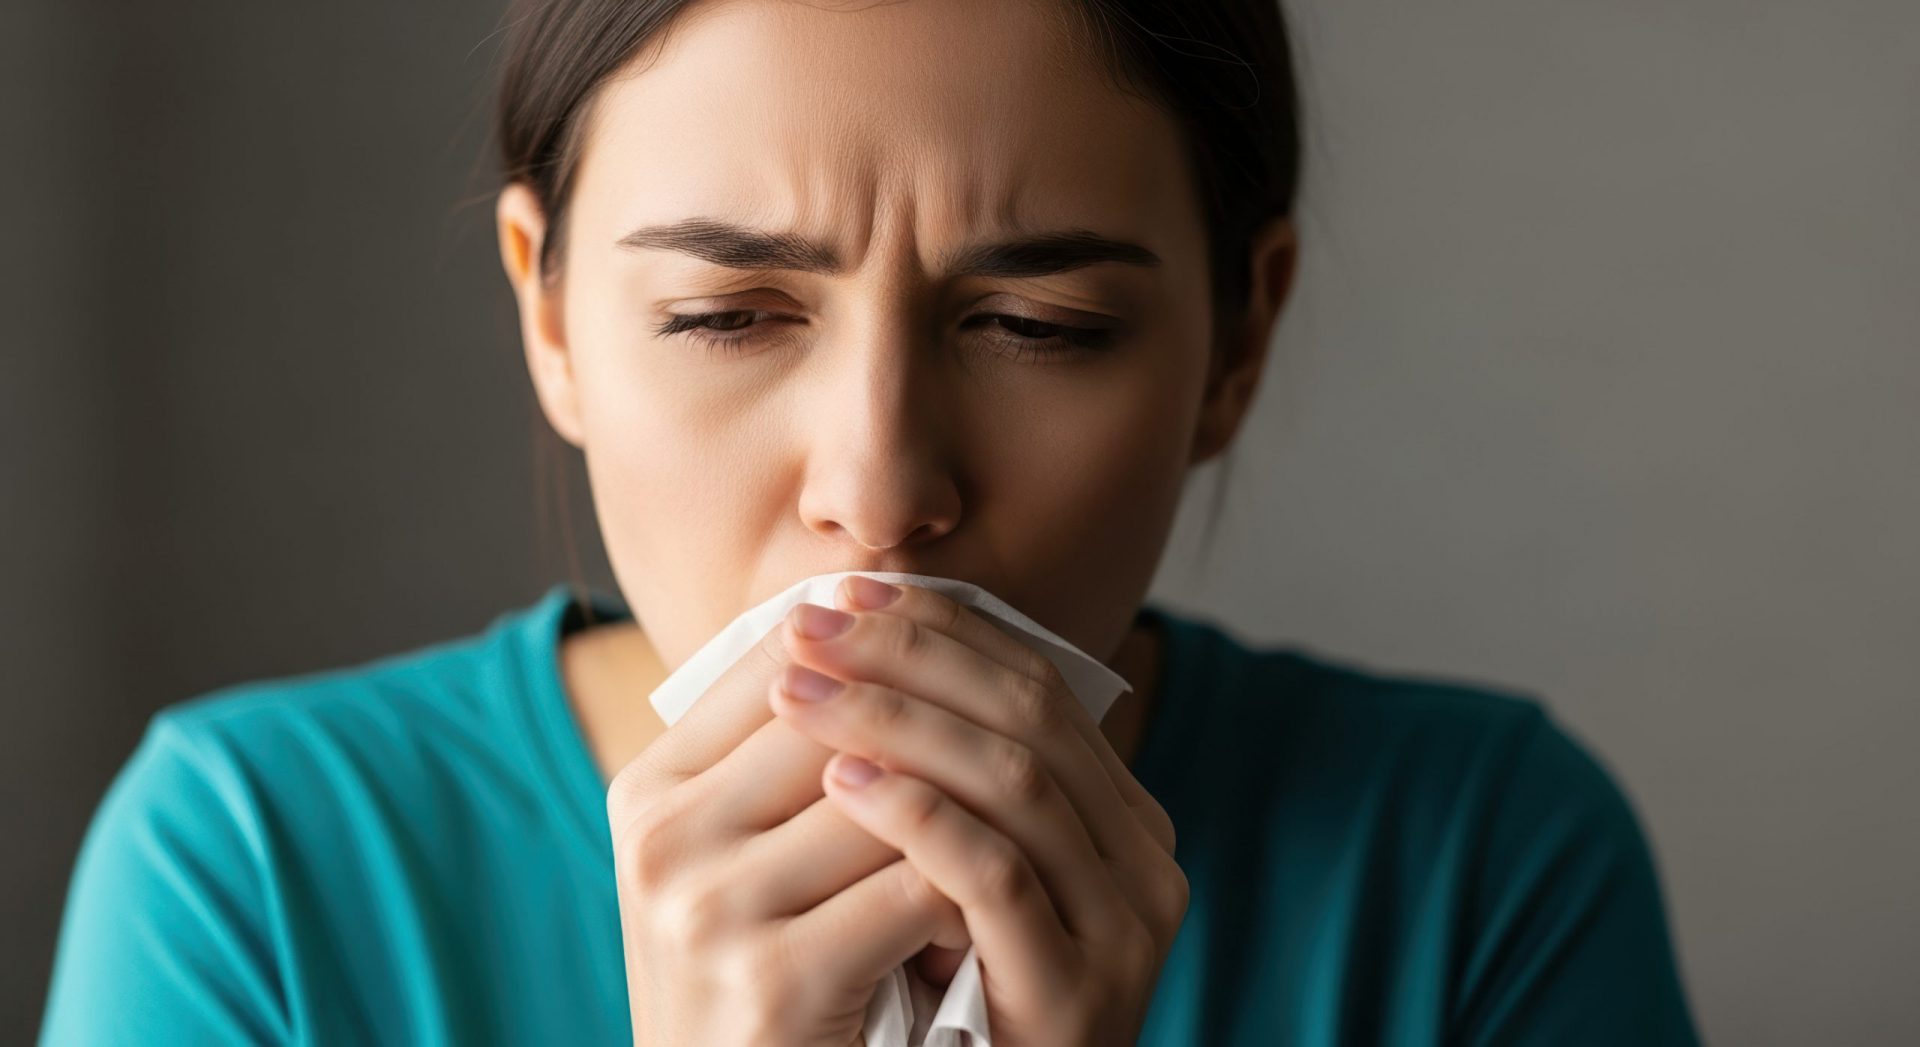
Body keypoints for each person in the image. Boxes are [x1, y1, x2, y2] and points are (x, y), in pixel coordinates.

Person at [39, 0, 1703, 1044]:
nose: (884, 488)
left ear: (1235, 344)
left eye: (1040, 326)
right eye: (727, 315)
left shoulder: (1482, 867)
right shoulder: (257, 868)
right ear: (550, 319)